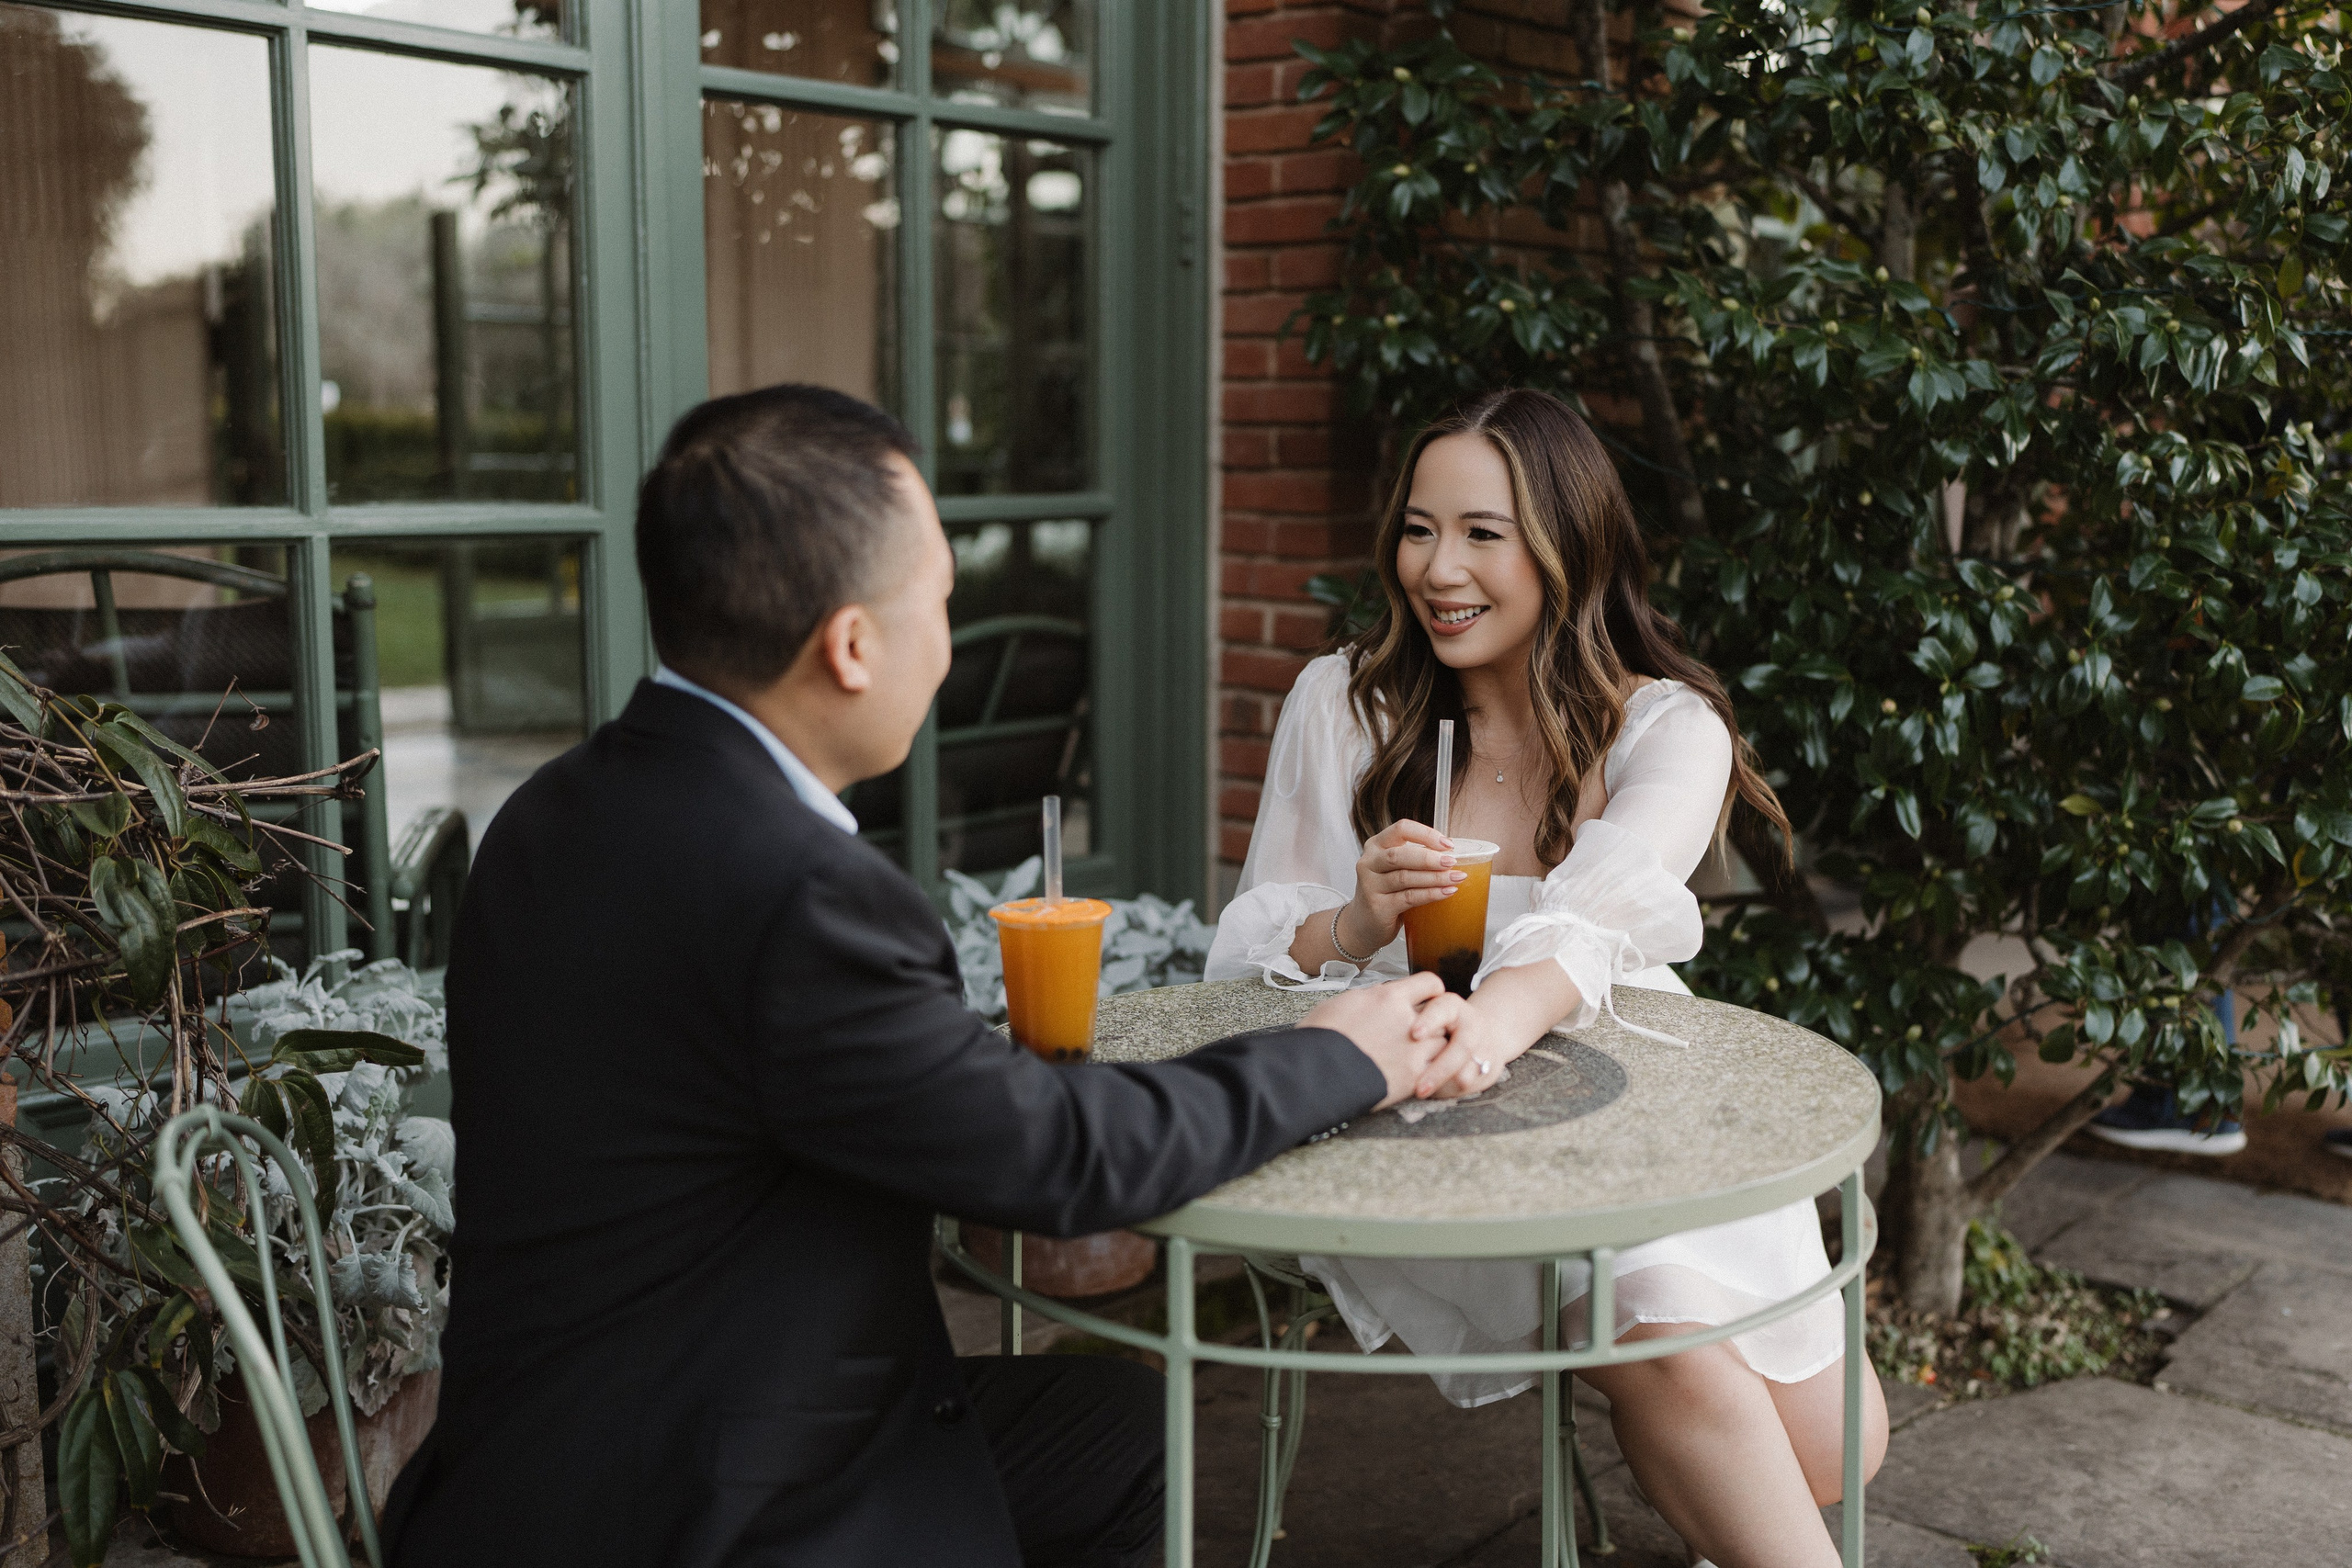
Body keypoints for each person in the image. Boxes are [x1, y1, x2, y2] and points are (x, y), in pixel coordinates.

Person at [383, 384, 1458, 1568]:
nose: (946, 644)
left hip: (541, 1453)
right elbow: (1060, 1159)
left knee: (1118, 1431)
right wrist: (1336, 1055)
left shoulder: (550, 812)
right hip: (706, 1503)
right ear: (851, 647)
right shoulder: (799, 893)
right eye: (939, 602)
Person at [1206, 388, 1888, 1568]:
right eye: (1419, 529)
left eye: (1484, 532)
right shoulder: (1345, 703)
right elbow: (1249, 959)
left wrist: (1488, 1027)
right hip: (1425, 1121)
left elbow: (1587, 923)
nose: (1438, 568)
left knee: (1837, 1453)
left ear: (1569, 546)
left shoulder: (1663, 727)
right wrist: (1357, 920)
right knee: (1659, 1328)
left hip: (1639, 1097)